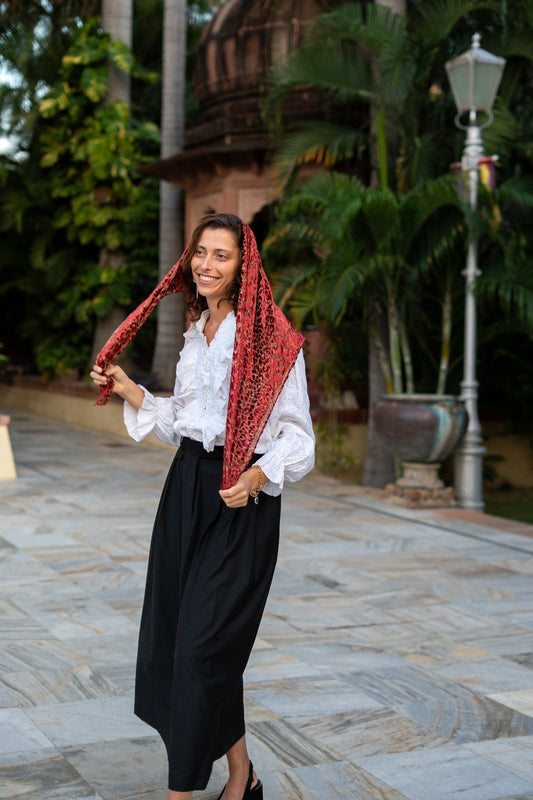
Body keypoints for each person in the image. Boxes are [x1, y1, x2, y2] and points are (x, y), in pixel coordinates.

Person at [90, 213, 315, 800]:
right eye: (200, 252)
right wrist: (131, 391)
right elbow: (188, 425)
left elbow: (299, 438)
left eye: (222, 255)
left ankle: (181, 793)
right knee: (186, 643)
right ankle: (243, 777)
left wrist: (258, 475)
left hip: (242, 503)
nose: (206, 265)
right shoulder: (197, 331)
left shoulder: (271, 340)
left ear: (245, 266)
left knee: (199, 650)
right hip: (186, 490)